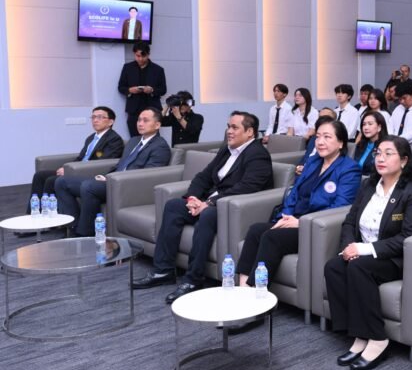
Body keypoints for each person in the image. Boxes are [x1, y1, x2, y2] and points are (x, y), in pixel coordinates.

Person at [132, 112, 273, 303]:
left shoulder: (258, 155)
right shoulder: (227, 150)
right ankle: (163, 270)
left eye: (235, 127)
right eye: (228, 126)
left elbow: (248, 187)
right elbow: (204, 177)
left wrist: (209, 203)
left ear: (250, 132)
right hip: (211, 201)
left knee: (207, 216)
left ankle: (193, 280)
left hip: (233, 207)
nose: (229, 131)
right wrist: (192, 198)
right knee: (174, 206)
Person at [325, 136, 412, 370]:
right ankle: (358, 333)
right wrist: (349, 247)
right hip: (362, 253)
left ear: (404, 160)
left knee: (358, 267)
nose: (381, 158)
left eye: (388, 153)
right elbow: (349, 221)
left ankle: (377, 337)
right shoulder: (368, 186)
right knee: (333, 267)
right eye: (378, 153)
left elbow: (408, 237)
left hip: (393, 258)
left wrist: (362, 250)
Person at [236, 120, 361, 290]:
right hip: (293, 219)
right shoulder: (313, 162)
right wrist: (285, 216)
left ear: (341, 143)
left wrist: (300, 222)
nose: (320, 142)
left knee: (271, 237)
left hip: (314, 226)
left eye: (327, 137)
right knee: (255, 230)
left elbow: (340, 207)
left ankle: (257, 292)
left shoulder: (349, 169)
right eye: (318, 137)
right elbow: (294, 192)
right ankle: (243, 289)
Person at [55, 108, 171, 236]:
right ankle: (73, 227)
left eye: (145, 120)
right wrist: (106, 176)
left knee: (89, 187)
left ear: (157, 125)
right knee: (62, 182)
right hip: (113, 180)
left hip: (127, 186)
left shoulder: (160, 146)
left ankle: (84, 234)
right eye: (139, 120)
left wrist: (114, 178)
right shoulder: (134, 141)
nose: (140, 123)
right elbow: (121, 165)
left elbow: (148, 175)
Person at [26, 106, 124, 215]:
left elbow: (104, 162)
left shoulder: (114, 139)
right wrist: (66, 167)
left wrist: (71, 171)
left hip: (89, 172)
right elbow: (81, 158)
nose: (95, 120)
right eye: (93, 117)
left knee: (51, 180)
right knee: (40, 175)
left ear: (110, 122)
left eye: (100, 117)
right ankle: (33, 213)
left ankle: (49, 216)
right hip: (77, 169)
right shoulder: (91, 138)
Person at [117, 41, 167, 137]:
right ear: (134, 54)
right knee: (135, 138)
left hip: (152, 109)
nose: (140, 59)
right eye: (137, 56)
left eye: (143, 56)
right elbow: (121, 87)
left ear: (148, 54)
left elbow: (163, 89)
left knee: (153, 137)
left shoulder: (158, 69)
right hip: (134, 110)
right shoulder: (128, 68)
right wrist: (130, 90)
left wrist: (152, 90)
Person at [354, 111, 387, 175]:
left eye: (370, 124)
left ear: (379, 127)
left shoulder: (384, 147)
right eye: (364, 124)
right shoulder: (360, 144)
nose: (366, 127)